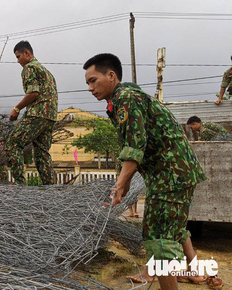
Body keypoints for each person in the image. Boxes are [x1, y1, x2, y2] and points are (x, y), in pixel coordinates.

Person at [84, 53, 207, 289]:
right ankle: (195, 271)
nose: (90, 88)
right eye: (88, 83)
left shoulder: (126, 98)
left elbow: (134, 147)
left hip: (170, 175)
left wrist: (120, 185)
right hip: (173, 173)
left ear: (111, 76)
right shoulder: (121, 100)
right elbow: (134, 144)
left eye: (93, 80)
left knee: (158, 238)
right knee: (173, 228)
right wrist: (126, 182)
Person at [6, 41, 58, 185]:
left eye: (18, 57)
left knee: (13, 143)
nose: (18, 61)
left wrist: (17, 109)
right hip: (50, 117)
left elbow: (33, 92)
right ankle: (50, 188)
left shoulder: (29, 68)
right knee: (42, 153)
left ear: (27, 53)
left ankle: (19, 185)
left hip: (37, 113)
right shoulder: (47, 72)